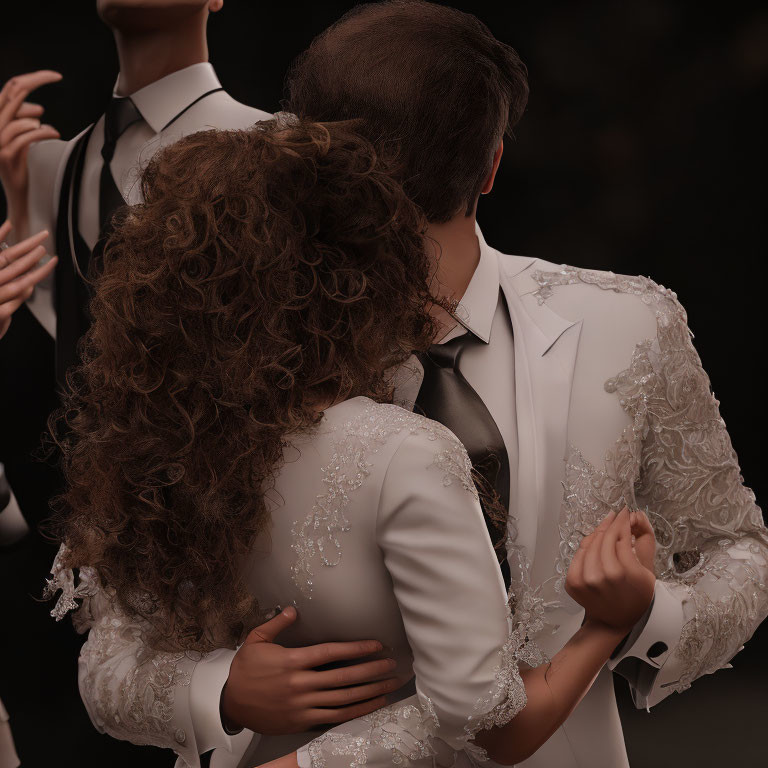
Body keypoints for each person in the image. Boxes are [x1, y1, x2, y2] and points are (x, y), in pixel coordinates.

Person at [44, 116, 656, 768]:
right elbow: (482, 723)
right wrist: (606, 625)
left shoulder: (161, 450)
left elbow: (108, 672)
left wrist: (234, 704)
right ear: (360, 281)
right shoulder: (403, 457)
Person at [274, 2, 768, 767]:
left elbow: (737, 550)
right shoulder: (254, 346)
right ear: (495, 163)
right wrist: (215, 690)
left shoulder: (626, 324)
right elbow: (141, 620)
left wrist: (647, 613)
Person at [1, 2, 405, 763]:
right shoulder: (63, 164)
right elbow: (91, 361)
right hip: (106, 587)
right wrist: (25, 213)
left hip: (261, 557)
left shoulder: (276, 147)